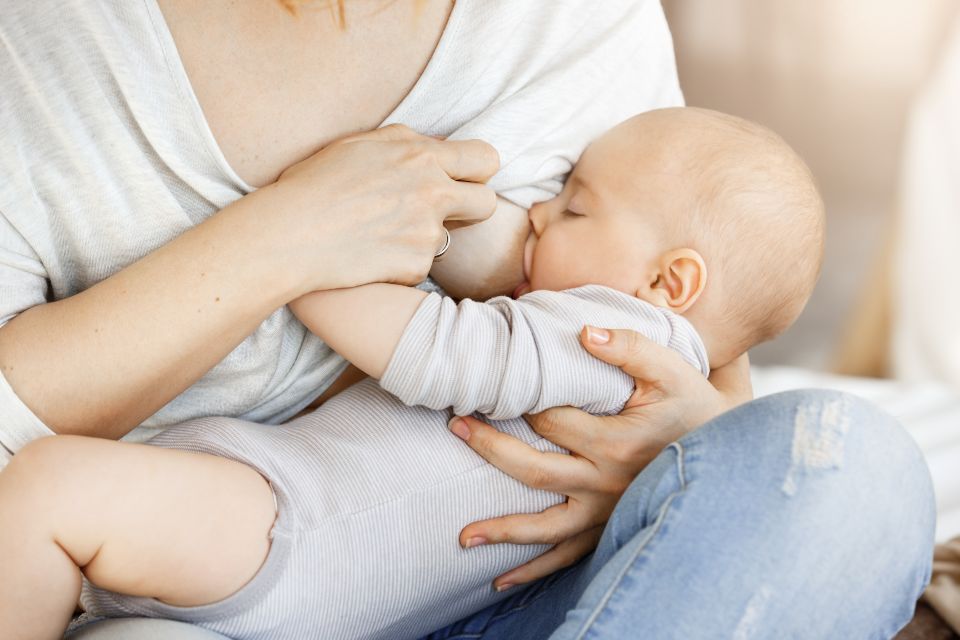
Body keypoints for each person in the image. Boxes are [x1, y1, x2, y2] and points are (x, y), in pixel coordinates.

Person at [0, 1, 934, 639]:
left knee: (854, 470)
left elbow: (707, 319)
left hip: (535, 588)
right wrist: (276, 241)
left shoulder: (577, 25)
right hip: (229, 564)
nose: (539, 212)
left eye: (569, 203)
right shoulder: (43, 46)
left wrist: (679, 448)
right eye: (559, 194)